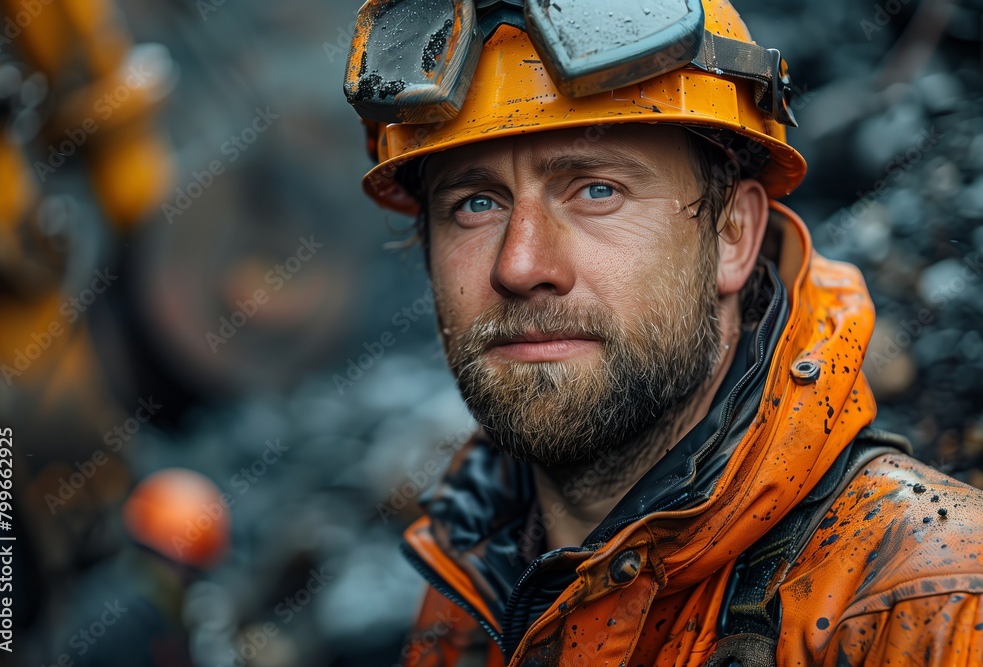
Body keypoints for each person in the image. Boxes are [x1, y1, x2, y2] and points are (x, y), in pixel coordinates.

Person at [344, 1, 983, 665]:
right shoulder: (470, 584)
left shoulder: (935, 604)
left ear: (734, 234)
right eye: (476, 204)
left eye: (596, 190)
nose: (520, 265)